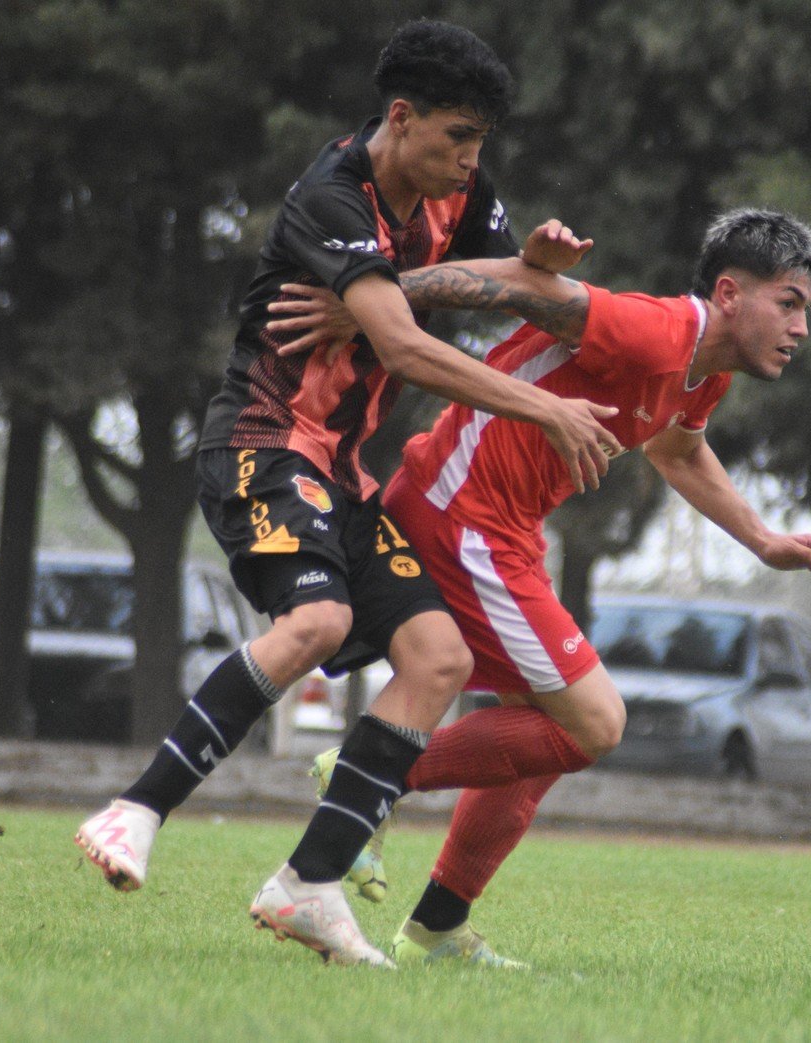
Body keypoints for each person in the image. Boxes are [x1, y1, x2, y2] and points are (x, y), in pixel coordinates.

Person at [72, 20, 618, 967]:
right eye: (456, 138)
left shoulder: (460, 191)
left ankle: (309, 885)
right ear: (400, 119)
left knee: (437, 656)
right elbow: (406, 344)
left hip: (340, 473)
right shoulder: (329, 198)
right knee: (318, 624)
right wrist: (544, 409)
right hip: (264, 445)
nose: (470, 160)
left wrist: (533, 261)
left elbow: (498, 281)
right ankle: (135, 810)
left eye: (482, 142)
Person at [273, 208, 811, 966]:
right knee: (594, 723)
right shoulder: (658, 330)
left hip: (500, 532)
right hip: (459, 514)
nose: (800, 328)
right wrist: (364, 297)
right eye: (790, 303)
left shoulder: (701, 373)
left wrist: (765, 539)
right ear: (731, 293)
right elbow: (514, 286)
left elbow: (678, 453)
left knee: (541, 741)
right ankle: (368, 770)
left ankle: (437, 928)